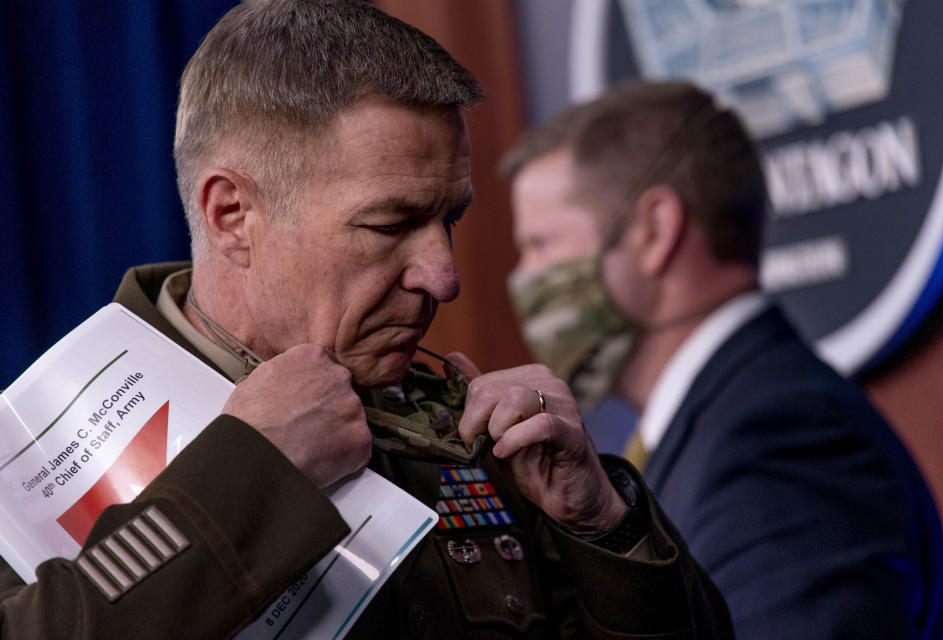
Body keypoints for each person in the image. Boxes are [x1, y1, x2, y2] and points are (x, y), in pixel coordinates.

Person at [0, 3, 734, 638]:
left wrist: (602, 525)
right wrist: (254, 471)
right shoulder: (32, 450)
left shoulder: (462, 429)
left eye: (449, 219)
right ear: (232, 215)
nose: (443, 277)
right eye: (390, 225)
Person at [500, 80, 943, 639]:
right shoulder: (725, 425)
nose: (522, 278)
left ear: (654, 231)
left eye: (542, 244)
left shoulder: (782, 439)